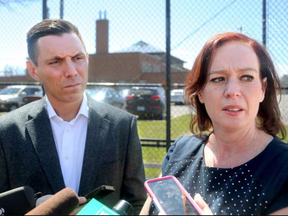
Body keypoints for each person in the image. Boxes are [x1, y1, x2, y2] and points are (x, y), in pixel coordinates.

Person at [0, 18, 146, 214]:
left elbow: (137, 202)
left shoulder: (122, 125)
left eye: (77, 58)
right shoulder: (7, 131)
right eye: (56, 61)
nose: (71, 71)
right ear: (33, 69)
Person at [140, 32, 288, 215]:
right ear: (200, 92)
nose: (233, 91)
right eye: (218, 79)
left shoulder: (283, 169)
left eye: (247, 77)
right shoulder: (179, 151)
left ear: (263, 89)